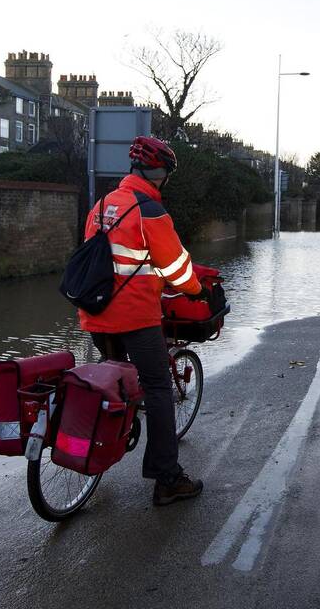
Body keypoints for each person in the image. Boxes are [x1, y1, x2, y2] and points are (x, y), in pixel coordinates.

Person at [78, 135, 206, 507]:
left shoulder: (102, 205)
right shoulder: (150, 211)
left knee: (114, 377)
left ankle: (113, 431)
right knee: (158, 387)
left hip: (95, 314)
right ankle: (167, 479)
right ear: (160, 173)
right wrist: (196, 290)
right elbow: (176, 268)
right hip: (135, 316)